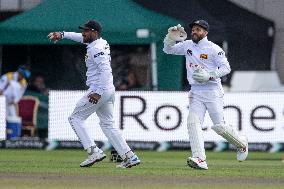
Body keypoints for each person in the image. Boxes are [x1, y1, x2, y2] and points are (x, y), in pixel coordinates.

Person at [47, 20, 140, 168]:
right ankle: (130, 156)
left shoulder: (96, 48)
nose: (83, 33)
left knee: (75, 118)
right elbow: (80, 37)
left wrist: (98, 92)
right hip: (108, 89)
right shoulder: (99, 42)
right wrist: (63, 34)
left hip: (99, 89)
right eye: (83, 30)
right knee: (107, 124)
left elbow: (106, 71)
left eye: (86, 31)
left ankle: (93, 151)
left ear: (94, 32)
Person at [163, 20, 248, 170]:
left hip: (213, 92)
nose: (194, 32)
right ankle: (199, 159)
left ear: (206, 33)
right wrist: (169, 38)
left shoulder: (214, 49)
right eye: (193, 29)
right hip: (196, 92)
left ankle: (241, 144)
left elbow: (226, 68)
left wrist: (210, 75)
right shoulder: (187, 45)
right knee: (193, 123)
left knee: (220, 127)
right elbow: (168, 50)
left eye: (198, 29)